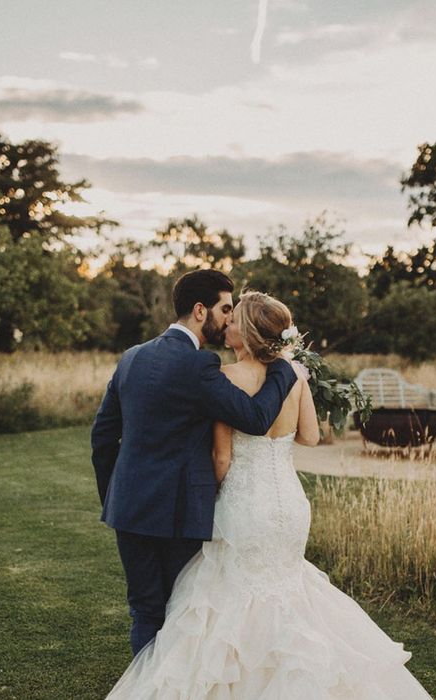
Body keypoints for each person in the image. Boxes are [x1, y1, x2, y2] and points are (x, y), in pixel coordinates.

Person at [104, 291, 433, 699]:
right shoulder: (294, 376)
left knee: (230, 597)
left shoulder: (225, 378)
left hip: (246, 504)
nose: (228, 325)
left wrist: (216, 493)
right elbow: (310, 437)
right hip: (289, 505)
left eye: (235, 319)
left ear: (250, 333)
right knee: (289, 590)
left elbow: (221, 459)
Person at [91, 270, 298, 657]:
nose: (228, 318)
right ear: (200, 310)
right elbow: (254, 418)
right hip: (179, 511)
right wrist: (284, 370)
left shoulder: (131, 358)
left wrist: (114, 496)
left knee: (144, 610)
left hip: (129, 508)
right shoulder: (199, 366)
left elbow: (103, 438)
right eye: (224, 309)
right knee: (177, 612)